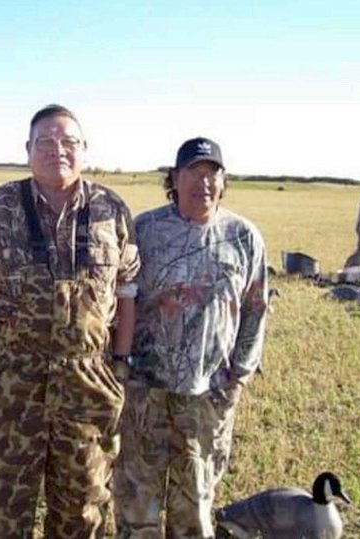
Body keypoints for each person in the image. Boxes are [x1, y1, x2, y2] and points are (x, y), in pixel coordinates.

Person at [0, 104, 140, 538]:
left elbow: (128, 291)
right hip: (11, 382)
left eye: (68, 142)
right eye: (46, 142)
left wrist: (120, 363)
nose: (57, 150)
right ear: (28, 149)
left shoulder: (111, 210)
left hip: (89, 384)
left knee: (83, 509)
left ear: (84, 149)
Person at [113, 137, 268, 538]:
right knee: (136, 498)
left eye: (212, 173)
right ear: (175, 179)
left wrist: (240, 376)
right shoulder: (144, 230)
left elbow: (256, 308)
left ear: (224, 181)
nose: (204, 182)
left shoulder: (244, 237)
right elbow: (119, 298)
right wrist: (120, 365)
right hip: (145, 390)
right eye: (193, 173)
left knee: (196, 501)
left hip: (209, 393)